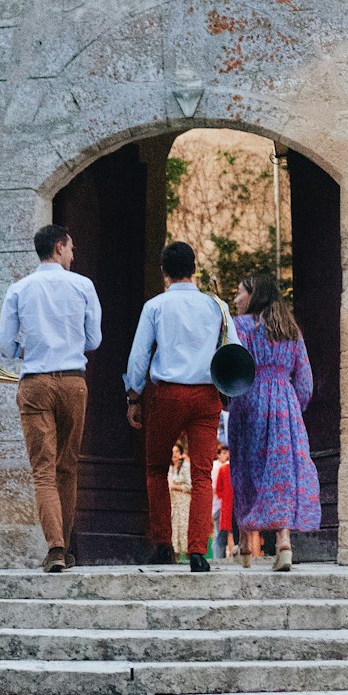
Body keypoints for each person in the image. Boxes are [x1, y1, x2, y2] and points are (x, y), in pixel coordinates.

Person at [125, 240, 238, 573]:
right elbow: (235, 349)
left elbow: (139, 355)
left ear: (164, 272)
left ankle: (162, 545)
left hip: (167, 395)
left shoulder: (155, 306)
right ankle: (197, 552)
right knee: (203, 475)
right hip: (206, 395)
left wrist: (134, 396)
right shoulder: (216, 306)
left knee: (156, 469)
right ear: (195, 267)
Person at [0, 224, 102, 573]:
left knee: (43, 471)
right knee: (67, 468)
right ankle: (65, 547)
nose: (73, 254)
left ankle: (55, 548)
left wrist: (26, 347)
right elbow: (93, 340)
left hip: (36, 382)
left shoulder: (19, 288)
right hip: (73, 381)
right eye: (71, 248)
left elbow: (3, 346)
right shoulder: (83, 285)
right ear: (59, 247)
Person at [228, 271, 320, 572]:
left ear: (254, 295)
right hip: (284, 405)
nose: (236, 297)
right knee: (279, 471)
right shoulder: (290, 329)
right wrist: (293, 404)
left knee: (247, 468)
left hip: (249, 400)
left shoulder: (240, 327)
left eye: (240, 292)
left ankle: (244, 542)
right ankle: (283, 542)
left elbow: (229, 368)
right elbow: (305, 380)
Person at [167, 441, 191, 563]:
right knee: (173, 527)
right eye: (172, 452)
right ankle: (174, 555)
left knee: (184, 526)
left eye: (177, 451)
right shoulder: (170, 468)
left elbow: (190, 485)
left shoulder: (185, 467)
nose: (174, 454)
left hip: (183, 501)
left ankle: (188, 555)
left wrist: (175, 486)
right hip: (173, 502)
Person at [213, 444, 234, 559]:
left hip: (224, 504)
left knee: (225, 532)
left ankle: (228, 555)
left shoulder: (223, 468)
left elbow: (218, 489)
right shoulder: (220, 467)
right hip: (227, 504)